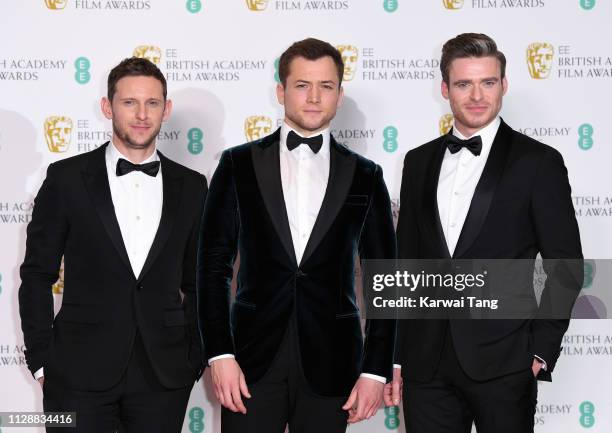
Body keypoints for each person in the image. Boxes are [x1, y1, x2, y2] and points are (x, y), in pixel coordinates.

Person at [198, 38, 396, 433]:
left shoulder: (366, 174)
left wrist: (375, 371)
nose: (313, 98)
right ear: (281, 91)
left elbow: (385, 277)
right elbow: (212, 265)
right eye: (302, 85)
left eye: (325, 86)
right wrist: (220, 353)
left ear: (339, 95)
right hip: (249, 363)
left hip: (334, 362)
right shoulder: (238, 164)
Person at [387, 33, 582, 433]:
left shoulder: (538, 162)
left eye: (488, 82)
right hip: (426, 367)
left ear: (504, 85)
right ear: (445, 89)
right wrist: (396, 356)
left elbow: (567, 265)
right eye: (463, 84)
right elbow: (405, 264)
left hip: (505, 362)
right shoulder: (418, 161)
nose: (477, 95)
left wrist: (540, 350)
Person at [19, 57, 207, 433]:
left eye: (152, 103)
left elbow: (199, 282)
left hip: (163, 376)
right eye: (129, 102)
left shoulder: (192, 185)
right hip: (74, 373)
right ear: (107, 107)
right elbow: (37, 274)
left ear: (166, 110)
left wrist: (195, 356)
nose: (141, 114)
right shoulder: (66, 178)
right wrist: (43, 361)